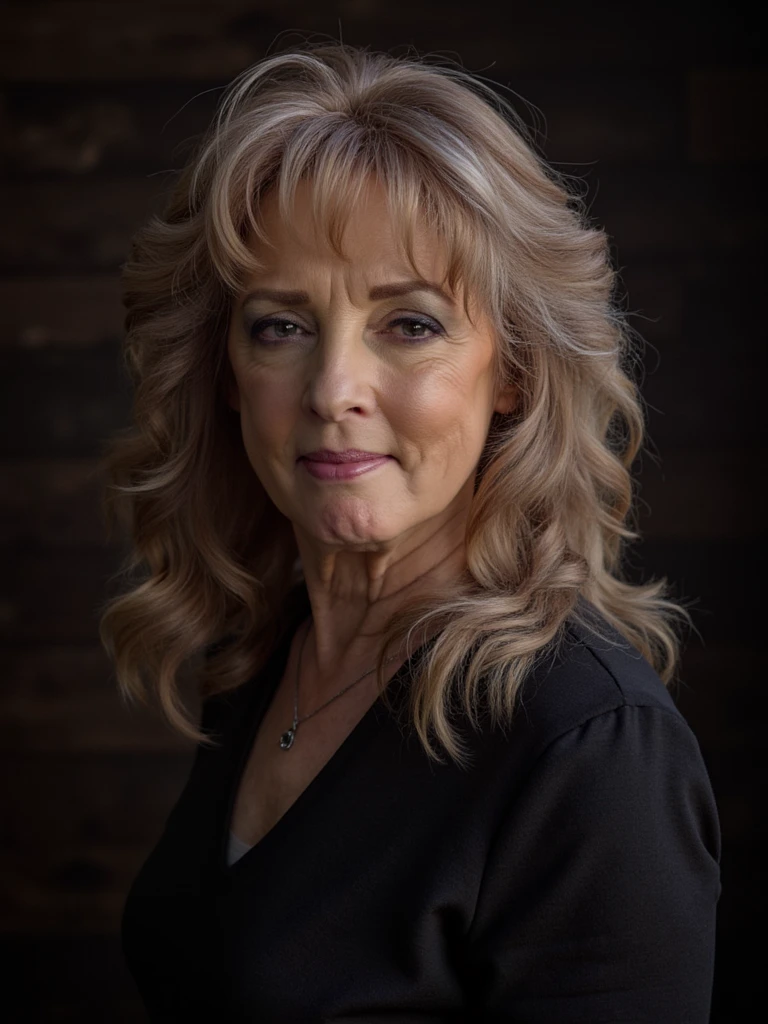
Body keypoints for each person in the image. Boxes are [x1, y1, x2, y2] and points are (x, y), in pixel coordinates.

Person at [99, 40, 721, 1022]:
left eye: (411, 324)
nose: (334, 390)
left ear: (512, 367)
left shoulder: (590, 748)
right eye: (280, 325)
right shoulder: (265, 651)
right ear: (225, 370)